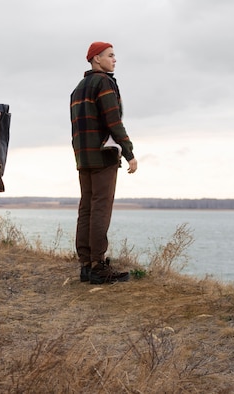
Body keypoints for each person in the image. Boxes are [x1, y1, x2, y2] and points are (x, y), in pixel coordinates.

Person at [70, 41, 138, 285]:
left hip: (83, 156)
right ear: (96, 59)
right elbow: (113, 121)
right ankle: (98, 265)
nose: (114, 59)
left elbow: (76, 127)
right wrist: (129, 152)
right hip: (103, 154)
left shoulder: (78, 88)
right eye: (110, 55)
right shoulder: (104, 83)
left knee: (86, 207)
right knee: (100, 207)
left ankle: (86, 265)